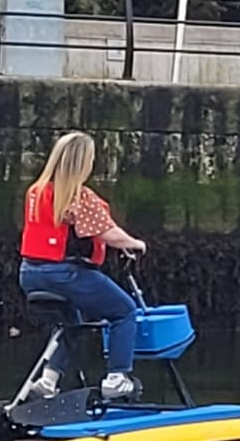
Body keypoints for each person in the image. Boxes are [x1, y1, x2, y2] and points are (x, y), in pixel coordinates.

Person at [18, 130, 151, 400]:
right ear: (82, 163)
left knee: (71, 326)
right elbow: (106, 233)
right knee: (124, 311)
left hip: (30, 273)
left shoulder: (37, 191)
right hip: (62, 274)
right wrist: (135, 243)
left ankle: (47, 383)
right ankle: (117, 377)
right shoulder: (78, 196)